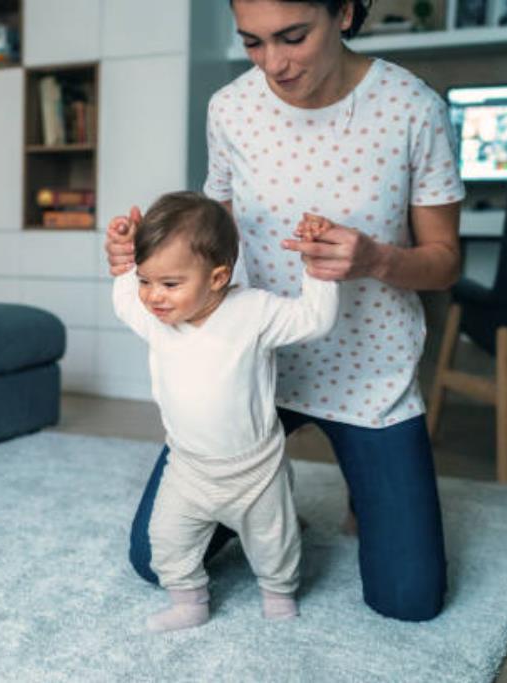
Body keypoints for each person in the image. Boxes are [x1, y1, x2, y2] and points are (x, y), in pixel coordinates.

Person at [105, 0, 464, 623]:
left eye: (293, 37)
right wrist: (139, 252)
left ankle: (360, 488)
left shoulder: (413, 108)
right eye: (252, 43)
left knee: (409, 601)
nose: (274, 62)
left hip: (366, 377)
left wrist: (377, 259)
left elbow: (445, 261)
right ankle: (268, 498)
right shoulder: (232, 110)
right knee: (152, 560)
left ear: (345, 12)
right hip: (247, 373)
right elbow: (206, 234)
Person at [112, 191, 338, 631]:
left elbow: (315, 320)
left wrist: (317, 271)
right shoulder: (155, 318)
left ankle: (278, 595)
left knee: (275, 542)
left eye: (170, 284)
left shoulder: (252, 311)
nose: (153, 296)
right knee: (166, 539)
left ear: (217, 278)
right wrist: (125, 262)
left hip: (254, 470)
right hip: (188, 467)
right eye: (146, 281)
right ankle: (189, 602)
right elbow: (124, 299)